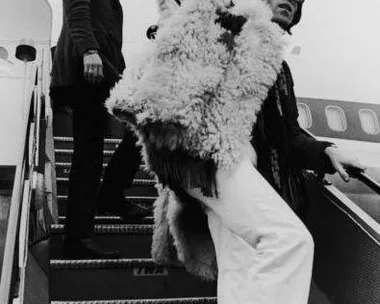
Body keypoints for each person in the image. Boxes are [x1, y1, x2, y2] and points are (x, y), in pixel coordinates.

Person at [107, 0, 365, 303]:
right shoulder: (228, 27)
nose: (291, 1)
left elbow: (290, 136)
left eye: (298, 1)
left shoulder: (278, 68)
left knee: (240, 264)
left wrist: (327, 152)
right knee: (289, 241)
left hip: (233, 167)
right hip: (211, 159)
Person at [49, 0, 149, 259]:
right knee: (88, 154)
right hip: (86, 70)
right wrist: (88, 50)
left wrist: (125, 76)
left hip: (102, 67)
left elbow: (109, 37)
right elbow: (76, 11)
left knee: (144, 125)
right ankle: (78, 237)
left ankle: (111, 194)